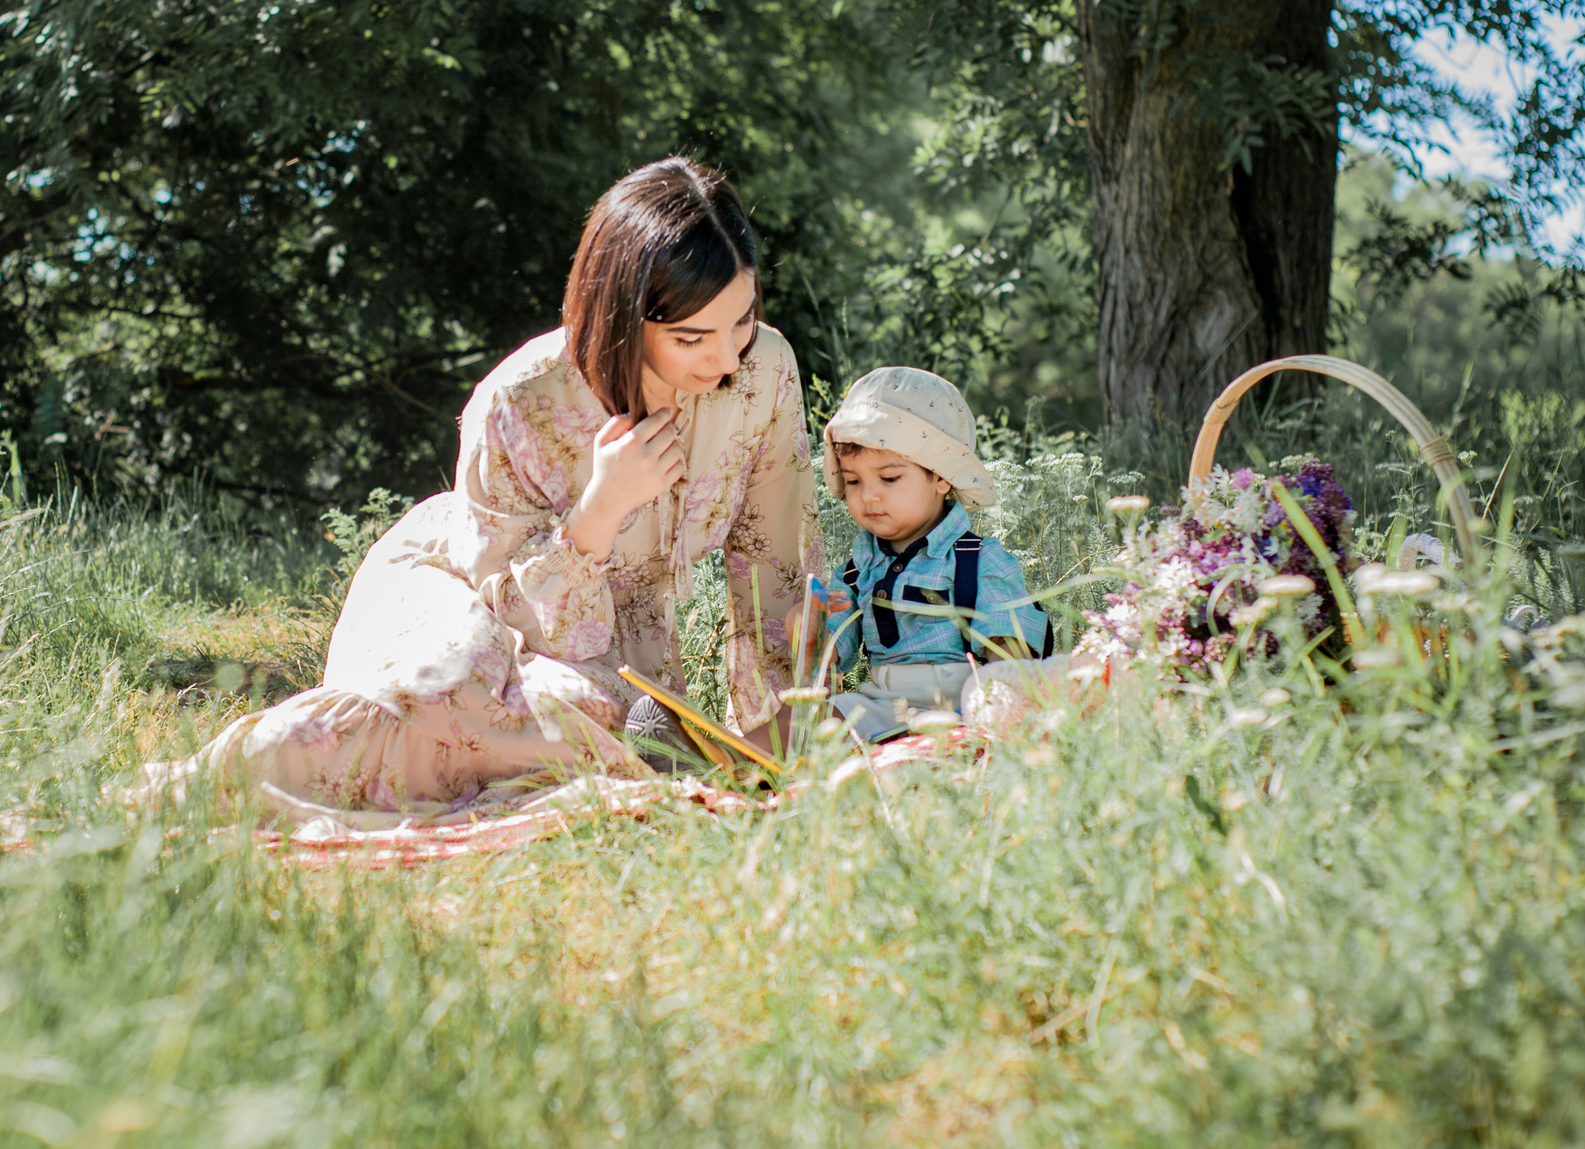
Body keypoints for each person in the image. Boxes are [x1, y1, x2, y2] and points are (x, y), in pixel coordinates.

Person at [137, 158, 826, 826]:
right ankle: (205, 789)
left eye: (741, 320)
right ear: (621, 316)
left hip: (608, 671)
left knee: (593, 729)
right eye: (691, 336)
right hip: (459, 589)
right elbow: (516, 624)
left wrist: (776, 736)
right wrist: (600, 511)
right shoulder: (520, 400)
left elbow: (779, 565)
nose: (726, 356)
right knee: (452, 692)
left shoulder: (764, 371)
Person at [813, 366, 1075, 740]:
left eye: (889, 478)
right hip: (883, 701)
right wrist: (811, 634)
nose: (868, 495)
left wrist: (1007, 702)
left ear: (941, 477)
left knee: (981, 719)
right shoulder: (857, 571)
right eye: (854, 480)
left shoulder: (976, 559)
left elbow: (1007, 645)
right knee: (813, 718)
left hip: (961, 705)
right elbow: (831, 651)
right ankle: (732, 760)